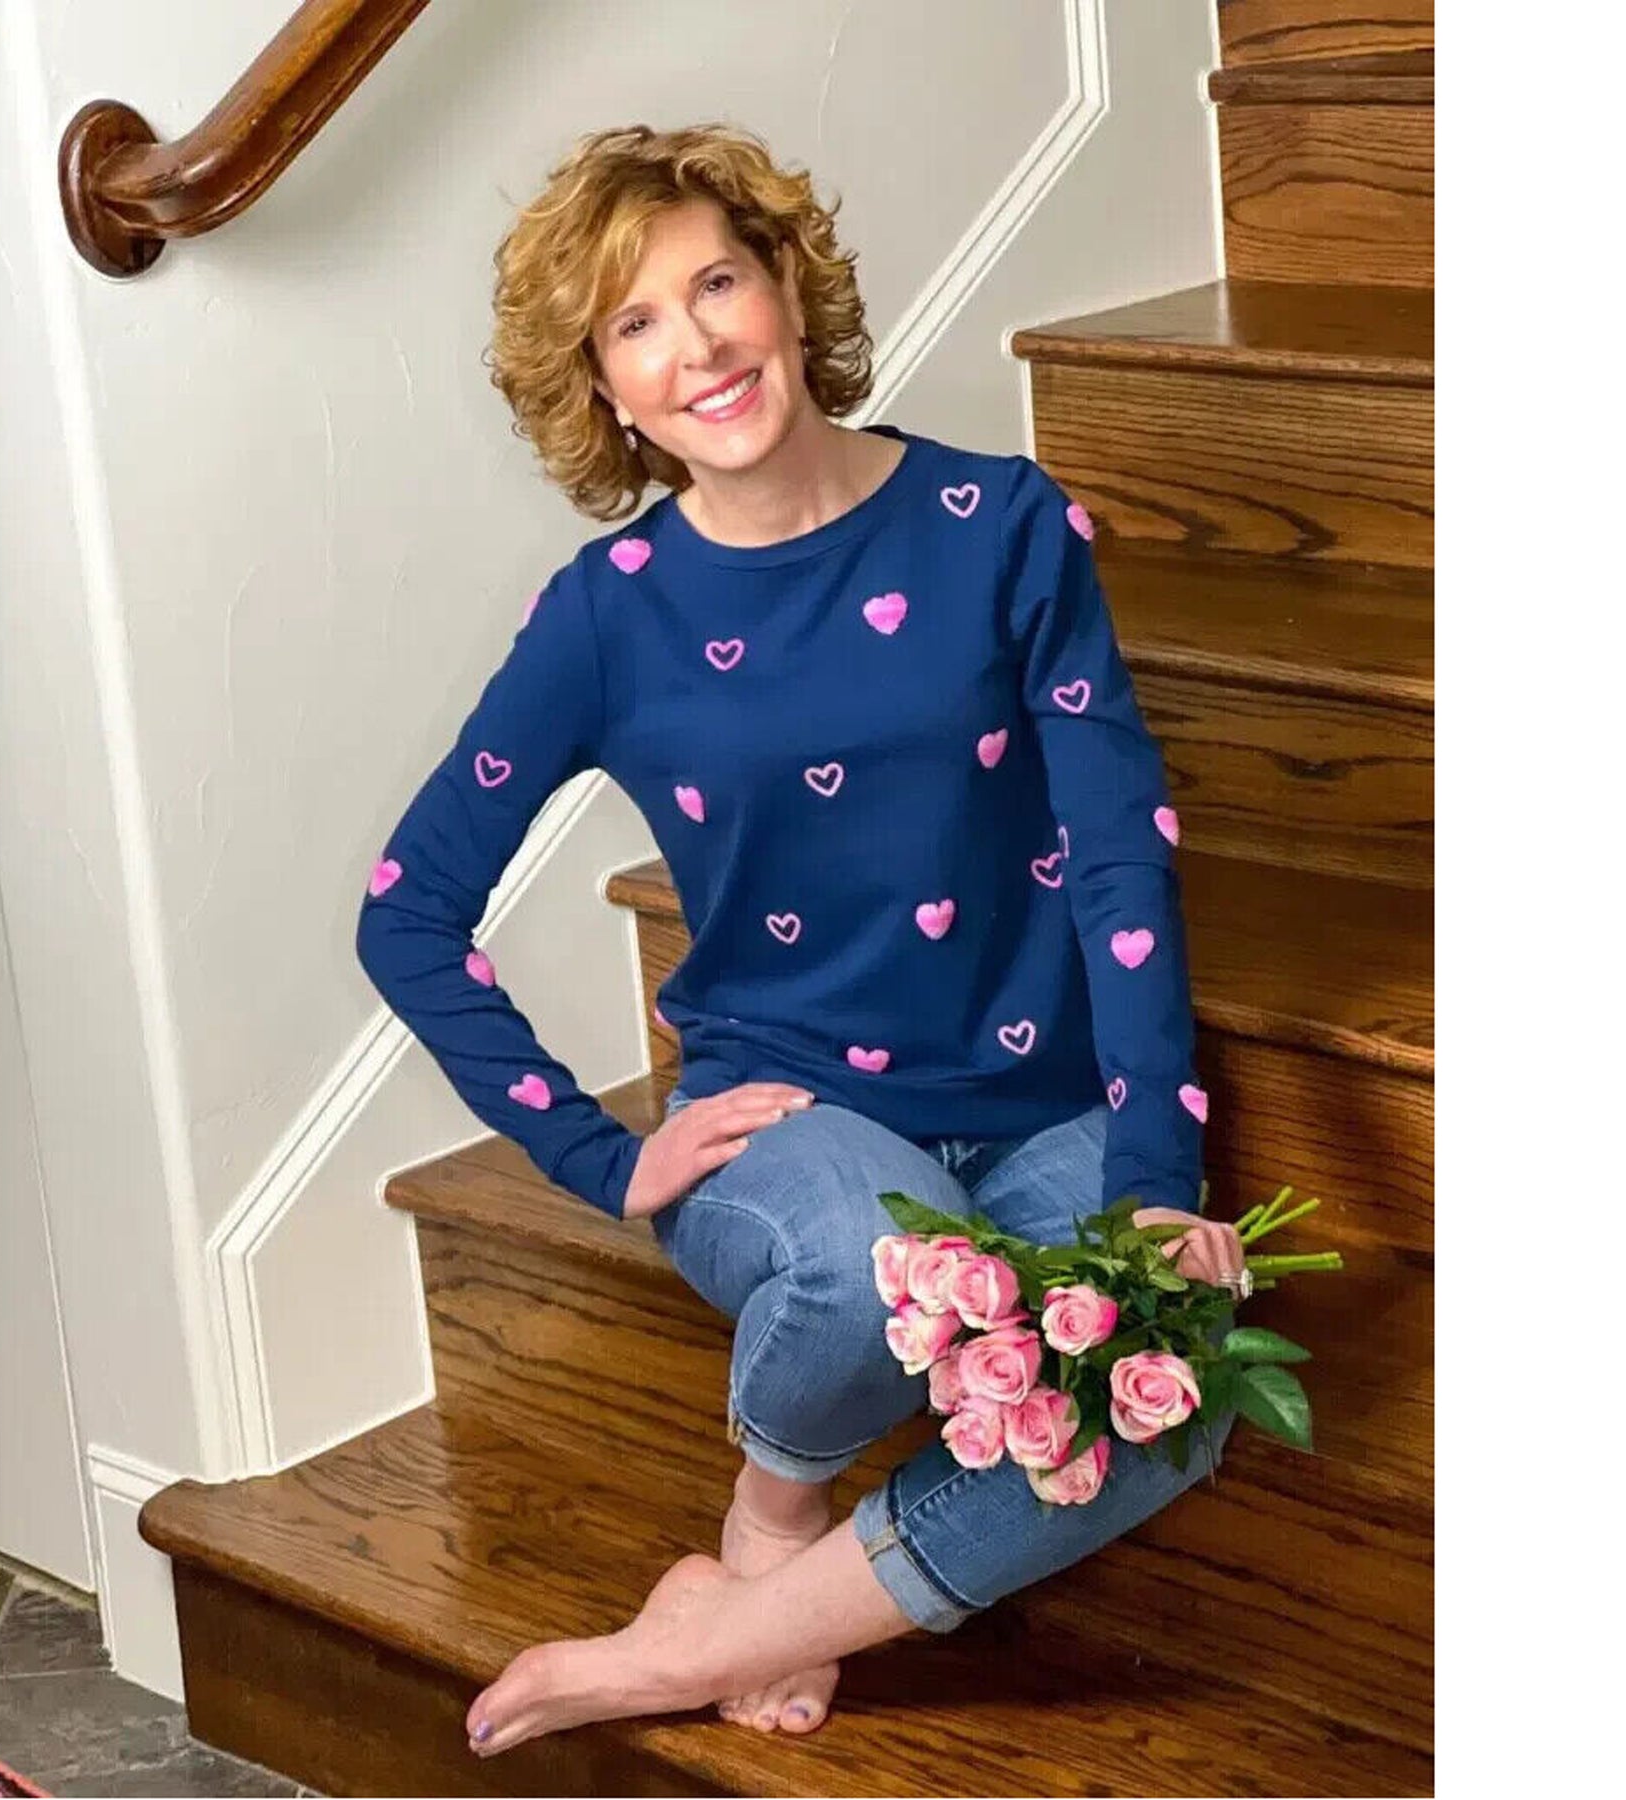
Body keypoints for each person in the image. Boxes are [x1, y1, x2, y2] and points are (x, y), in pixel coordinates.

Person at [354, 122, 1248, 1762]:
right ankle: (772, 1503)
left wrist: (1155, 1176)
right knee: (870, 1271)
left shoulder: (1003, 523)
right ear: (605, 391)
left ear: (784, 284)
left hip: (1044, 1099)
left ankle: (724, 1623)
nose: (695, 347)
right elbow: (407, 909)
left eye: (716, 284)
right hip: (789, 1115)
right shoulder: (608, 612)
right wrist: (595, 1155)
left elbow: (1121, 860)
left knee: (1169, 1390)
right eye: (634, 325)